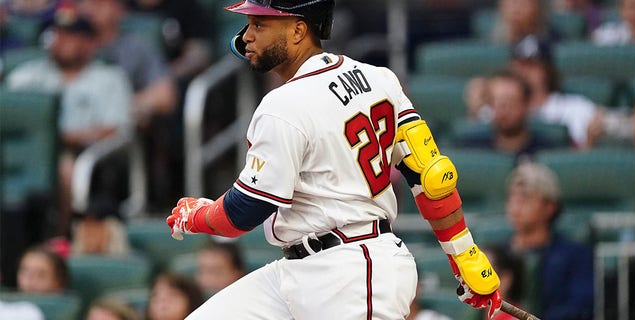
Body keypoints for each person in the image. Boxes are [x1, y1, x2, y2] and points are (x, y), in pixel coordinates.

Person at [165, 1, 502, 319]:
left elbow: (244, 211)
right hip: (296, 271)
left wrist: (197, 215)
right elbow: (430, 176)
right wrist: (464, 255)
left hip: (355, 270)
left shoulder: (283, 105)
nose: (247, 36)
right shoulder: (379, 79)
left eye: (259, 24)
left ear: (298, 30)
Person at [6, 7, 133, 237]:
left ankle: (60, 237)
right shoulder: (25, 76)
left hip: (80, 157)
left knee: (64, 168)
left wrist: (64, 137)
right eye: (57, 35)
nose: (60, 42)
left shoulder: (109, 78)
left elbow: (117, 130)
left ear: (90, 43)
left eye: (69, 36)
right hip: (22, 156)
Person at [78, 0, 179, 210]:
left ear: (118, 10)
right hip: (75, 127)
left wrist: (120, 104)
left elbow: (165, 95)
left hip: (117, 134)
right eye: (85, 2)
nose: (90, 9)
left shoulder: (135, 47)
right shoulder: (70, 46)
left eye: (99, 4)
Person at [503, 162, 593, 319]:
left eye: (525, 197)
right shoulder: (499, 255)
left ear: (549, 206)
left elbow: (580, 307)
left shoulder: (575, 255)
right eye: (512, 196)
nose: (516, 206)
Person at [456, 69, 566, 161]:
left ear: (526, 104)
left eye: (511, 101)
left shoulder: (549, 152)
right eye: (497, 102)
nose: (504, 109)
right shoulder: (472, 149)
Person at [491, 0, 561, 45]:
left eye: (522, 3)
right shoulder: (495, 41)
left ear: (537, 6)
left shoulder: (551, 40)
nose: (516, 10)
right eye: (512, 3)